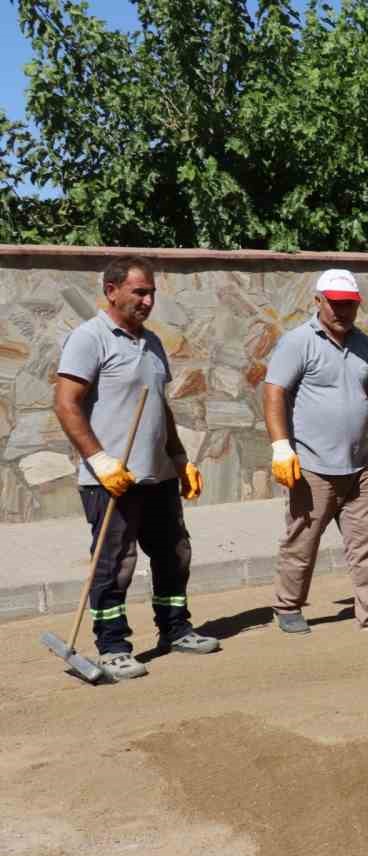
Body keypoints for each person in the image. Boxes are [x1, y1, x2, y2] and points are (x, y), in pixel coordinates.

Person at [53, 255, 220, 681]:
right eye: (139, 292)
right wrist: (99, 459)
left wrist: (180, 458)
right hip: (110, 480)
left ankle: (175, 629)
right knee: (113, 565)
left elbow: (159, 408)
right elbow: (66, 404)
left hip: (158, 475)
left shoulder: (152, 342)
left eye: (151, 293)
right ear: (111, 291)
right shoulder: (90, 339)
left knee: (174, 555)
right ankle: (112, 646)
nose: (147, 301)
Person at [263, 268, 368, 634]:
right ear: (318, 302)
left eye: (349, 305)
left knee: (367, 543)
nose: (342, 311)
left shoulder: (362, 343)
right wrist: (281, 447)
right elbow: (273, 392)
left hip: (358, 467)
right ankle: (287, 607)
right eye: (335, 304)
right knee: (302, 541)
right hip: (313, 467)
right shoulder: (298, 342)